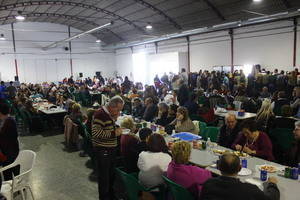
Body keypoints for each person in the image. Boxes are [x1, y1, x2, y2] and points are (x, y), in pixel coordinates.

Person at [200, 153, 280, 200]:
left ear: (219, 167)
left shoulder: (208, 184)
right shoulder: (249, 190)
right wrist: (272, 184)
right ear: (240, 168)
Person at [92, 96, 124, 200]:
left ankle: (110, 195)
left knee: (110, 175)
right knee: (104, 178)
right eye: (118, 109)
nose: (119, 112)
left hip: (110, 149)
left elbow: (107, 127)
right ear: (111, 106)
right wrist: (114, 133)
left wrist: (115, 123)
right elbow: (96, 133)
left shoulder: (108, 114)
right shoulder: (100, 114)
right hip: (103, 150)